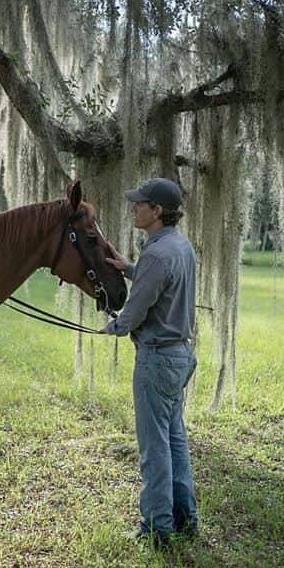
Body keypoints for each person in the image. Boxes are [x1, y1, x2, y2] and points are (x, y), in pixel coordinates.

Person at [100, 177, 198, 549]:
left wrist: (116, 326)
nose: (134, 208)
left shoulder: (157, 254)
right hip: (179, 355)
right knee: (174, 441)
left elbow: (135, 311)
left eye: (140, 204)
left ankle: (158, 529)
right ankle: (185, 520)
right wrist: (129, 268)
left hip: (156, 359)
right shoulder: (178, 246)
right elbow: (159, 279)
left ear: (157, 211)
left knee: (154, 448)